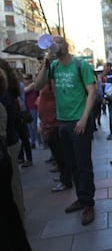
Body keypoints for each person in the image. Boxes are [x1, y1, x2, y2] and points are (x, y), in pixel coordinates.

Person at [35, 35, 97, 226]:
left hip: (79, 122)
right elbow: (38, 86)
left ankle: (88, 204)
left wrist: (84, 118)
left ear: (67, 45)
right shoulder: (53, 66)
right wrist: (46, 62)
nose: (55, 45)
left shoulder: (80, 65)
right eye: (53, 43)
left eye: (59, 42)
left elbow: (92, 91)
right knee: (72, 164)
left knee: (83, 163)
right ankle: (81, 197)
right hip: (62, 122)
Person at [0, 65, 32, 251]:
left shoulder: (6, 99)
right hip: (11, 144)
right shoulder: (9, 95)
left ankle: (20, 225)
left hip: (8, 148)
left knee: (12, 192)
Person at [36, 56, 71, 192]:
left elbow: (59, 98)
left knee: (60, 152)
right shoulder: (43, 82)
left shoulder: (52, 81)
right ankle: (64, 176)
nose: (39, 67)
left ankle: (66, 179)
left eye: (42, 64)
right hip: (47, 120)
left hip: (54, 121)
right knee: (57, 152)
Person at [102, 62, 112, 140]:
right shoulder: (110, 75)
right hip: (111, 98)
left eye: (105, 67)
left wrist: (105, 97)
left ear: (109, 67)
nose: (104, 68)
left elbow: (108, 87)